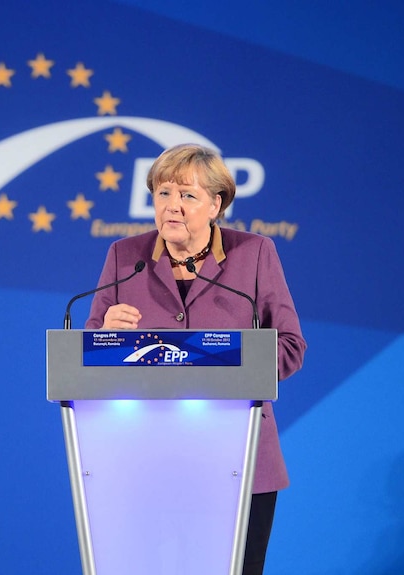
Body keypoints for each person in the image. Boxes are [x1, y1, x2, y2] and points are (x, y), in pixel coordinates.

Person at [85, 143, 306, 575]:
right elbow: (87, 353)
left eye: (188, 196)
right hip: (143, 460)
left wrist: (225, 361)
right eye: (164, 194)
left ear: (215, 204)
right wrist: (106, 335)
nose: (173, 207)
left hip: (240, 462)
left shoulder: (255, 253)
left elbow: (290, 347)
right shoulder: (123, 257)